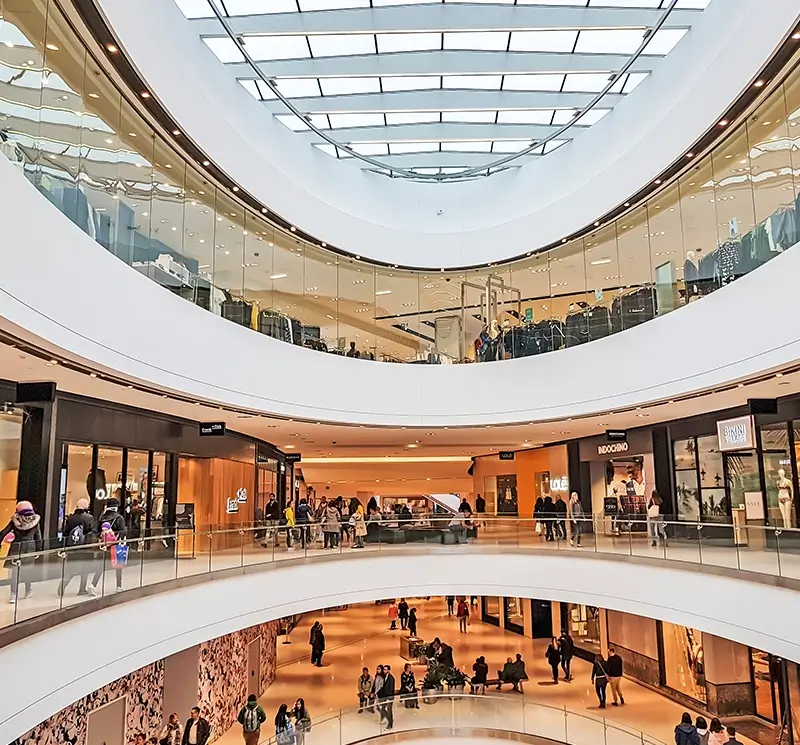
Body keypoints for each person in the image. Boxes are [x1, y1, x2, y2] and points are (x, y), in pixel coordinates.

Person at [0, 500, 43, 603]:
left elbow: (3, 533)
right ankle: (28, 590)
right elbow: (39, 537)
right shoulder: (35, 521)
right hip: (30, 547)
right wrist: (38, 549)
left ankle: (13, 594)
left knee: (15, 572)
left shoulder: (15, 520)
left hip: (17, 547)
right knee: (27, 571)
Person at [58, 498, 98, 597]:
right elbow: (92, 532)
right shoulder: (89, 518)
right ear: (85, 507)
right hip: (85, 547)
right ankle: (82, 589)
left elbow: (65, 532)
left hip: (72, 547)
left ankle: (64, 583)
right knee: (85, 568)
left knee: (72, 568)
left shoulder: (70, 518)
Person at [378, 663, 396, 729]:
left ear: (389, 670)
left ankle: (390, 724)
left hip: (389, 697)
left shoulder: (391, 679)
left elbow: (391, 689)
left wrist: (389, 698)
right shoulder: (384, 677)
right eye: (384, 669)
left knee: (389, 710)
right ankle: (389, 720)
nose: (384, 671)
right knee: (382, 709)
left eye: (385, 670)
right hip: (385, 697)